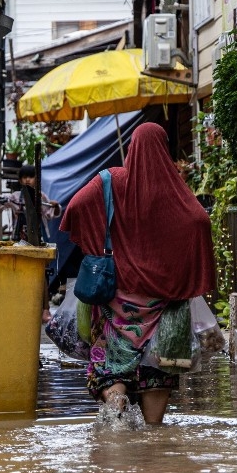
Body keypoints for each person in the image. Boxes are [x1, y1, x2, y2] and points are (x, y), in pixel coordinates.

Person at [58, 122, 216, 426]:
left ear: (132, 149)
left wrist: (99, 243)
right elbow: (200, 222)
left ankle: (116, 406)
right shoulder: (175, 192)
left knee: (112, 372)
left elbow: (75, 207)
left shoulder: (111, 181)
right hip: (163, 307)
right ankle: (153, 456)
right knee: (157, 393)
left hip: (113, 302)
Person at [0, 164, 61, 243]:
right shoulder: (15, 196)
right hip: (18, 237)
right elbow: (1, 205)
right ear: (20, 180)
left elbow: (49, 214)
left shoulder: (41, 196)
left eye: (31, 177)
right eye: (24, 177)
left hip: (38, 237)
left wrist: (55, 207)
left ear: (36, 179)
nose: (27, 180)